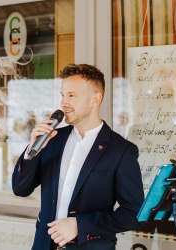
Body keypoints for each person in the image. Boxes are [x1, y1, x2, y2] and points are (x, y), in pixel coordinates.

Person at [12, 64, 144, 250]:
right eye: (63, 95)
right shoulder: (52, 140)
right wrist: (31, 150)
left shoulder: (121, 150)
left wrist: (80, 225)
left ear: (95, 99)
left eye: (71, 95)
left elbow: (134, 214)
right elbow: (20, 189)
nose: (63, 103)